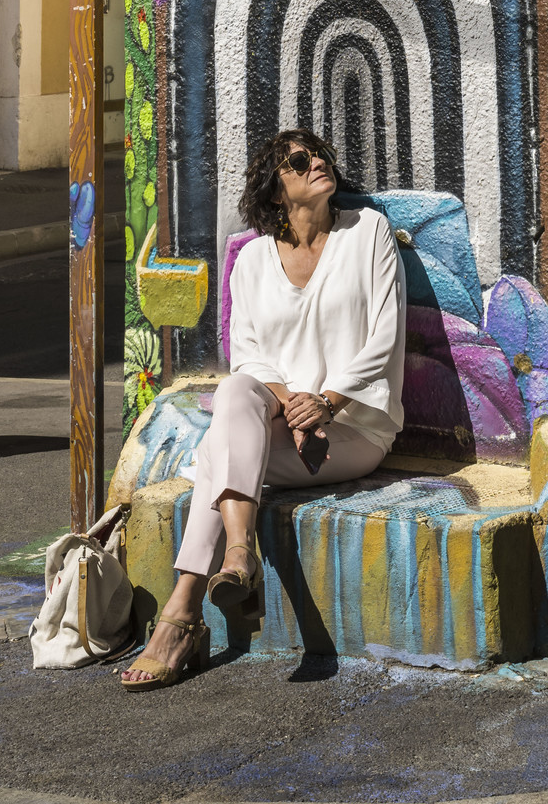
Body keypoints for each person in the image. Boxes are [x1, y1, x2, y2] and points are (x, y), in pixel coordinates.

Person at [121, 128, 406, 691]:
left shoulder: (367, 231)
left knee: (215, 458)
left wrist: (325, 405)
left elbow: (385, 336)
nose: (317, 163)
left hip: (353, 430)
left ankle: (180, 616)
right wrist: (293, 409)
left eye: (320, 154)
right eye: (299, 162)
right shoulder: (252, 259)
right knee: (234, 392)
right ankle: (236, 553)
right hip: (284, 424)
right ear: (276, 193)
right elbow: (248, 356)